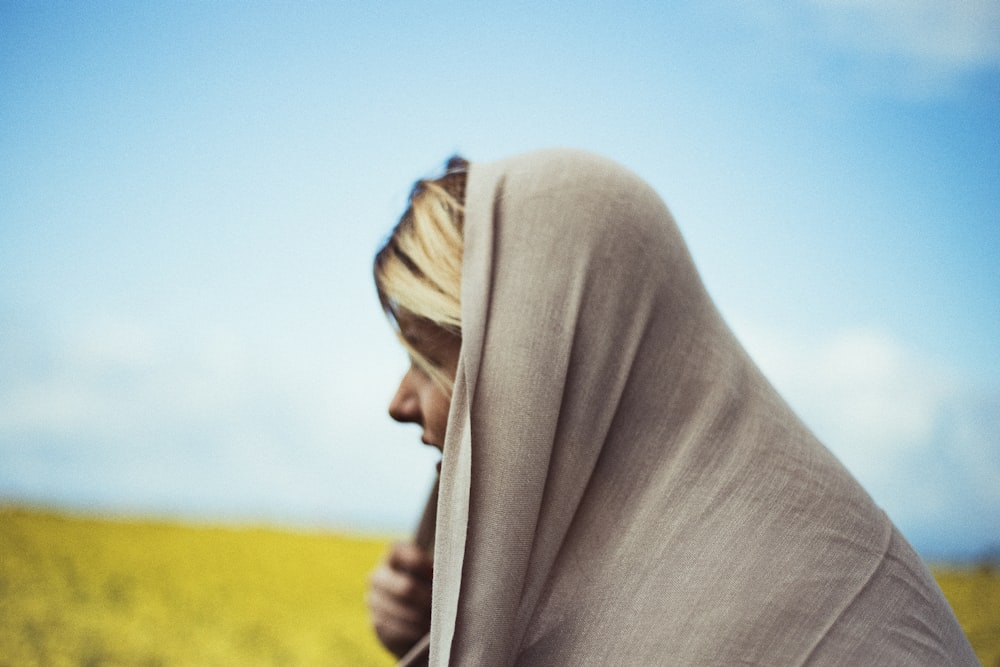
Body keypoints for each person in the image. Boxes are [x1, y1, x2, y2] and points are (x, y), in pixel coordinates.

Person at [367, 149, 977, 666]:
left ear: (544, 370)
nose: (398, 403)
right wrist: (436, 632)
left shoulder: (819, 622)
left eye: (429, 359)